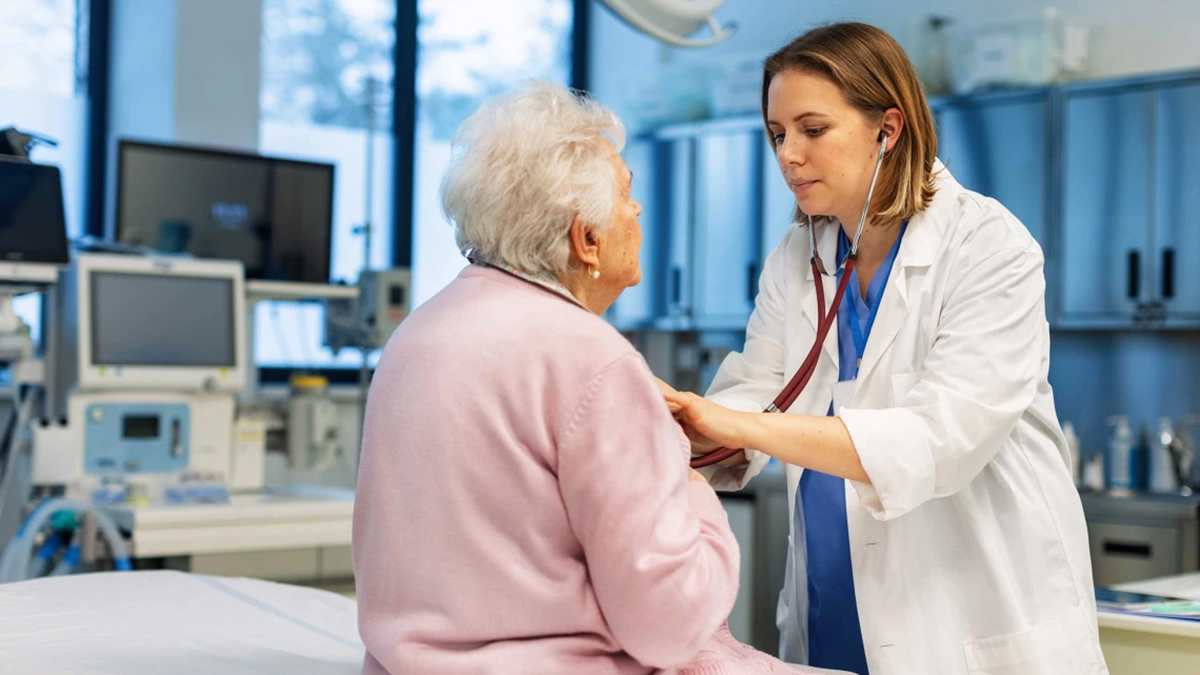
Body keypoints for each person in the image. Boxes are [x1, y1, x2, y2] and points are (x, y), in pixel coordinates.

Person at [663, 23, 1108, 675]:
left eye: (813, 130)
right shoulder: (797, 258)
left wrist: (736, 421)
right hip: (833, 613)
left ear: (888, 128)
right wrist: (667, 426)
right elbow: (749, 401)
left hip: (967, 624)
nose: (788, 154)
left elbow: (940, 438)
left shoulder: (987, 246)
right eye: (778, 133)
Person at [353, 81, 815, 675]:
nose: (638, 209)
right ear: (587, 240)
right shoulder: (591, 358)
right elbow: (670, 627)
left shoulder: (418, 333)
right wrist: (683, 481)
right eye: (626, 193)